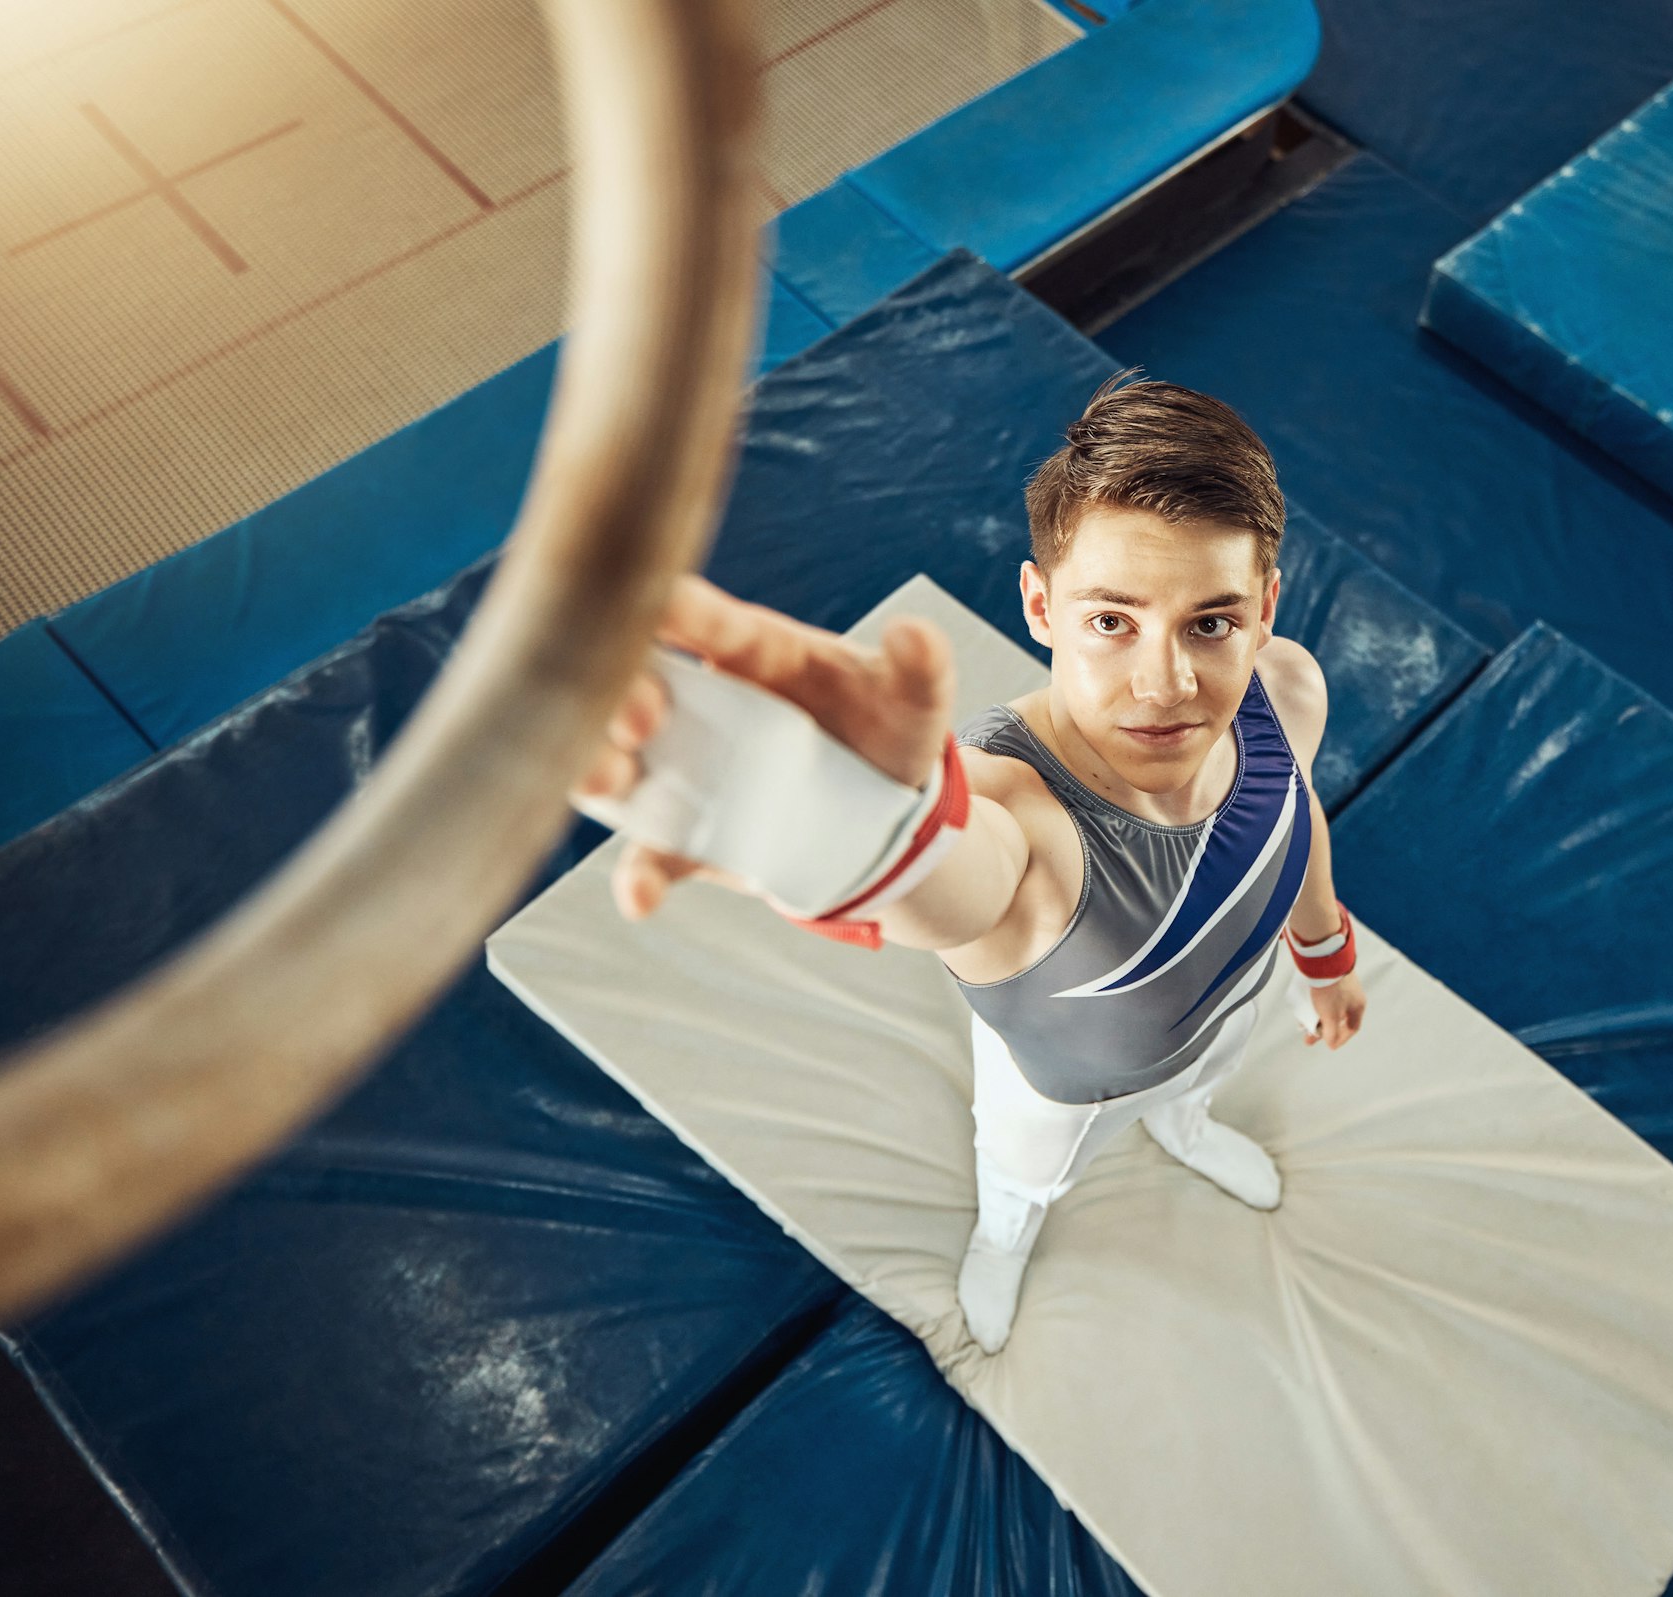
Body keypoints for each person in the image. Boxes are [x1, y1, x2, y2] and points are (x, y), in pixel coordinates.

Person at [571, 371, 1366, 1354]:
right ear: (1039, 605)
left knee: (1198, 1081)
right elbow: (950, 869)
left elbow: (1295, 818)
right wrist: (850, 828)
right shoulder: (1009, 808)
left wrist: (1323, 953)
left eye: (1209, 621)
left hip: (1225, 1012)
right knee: (1024, 1182)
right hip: (1064, 1095)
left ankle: (1186, 1128)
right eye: (1109, 620)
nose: (1164, 683)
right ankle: (1002, 1239)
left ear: (1263, 606)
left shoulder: (1282, 686)